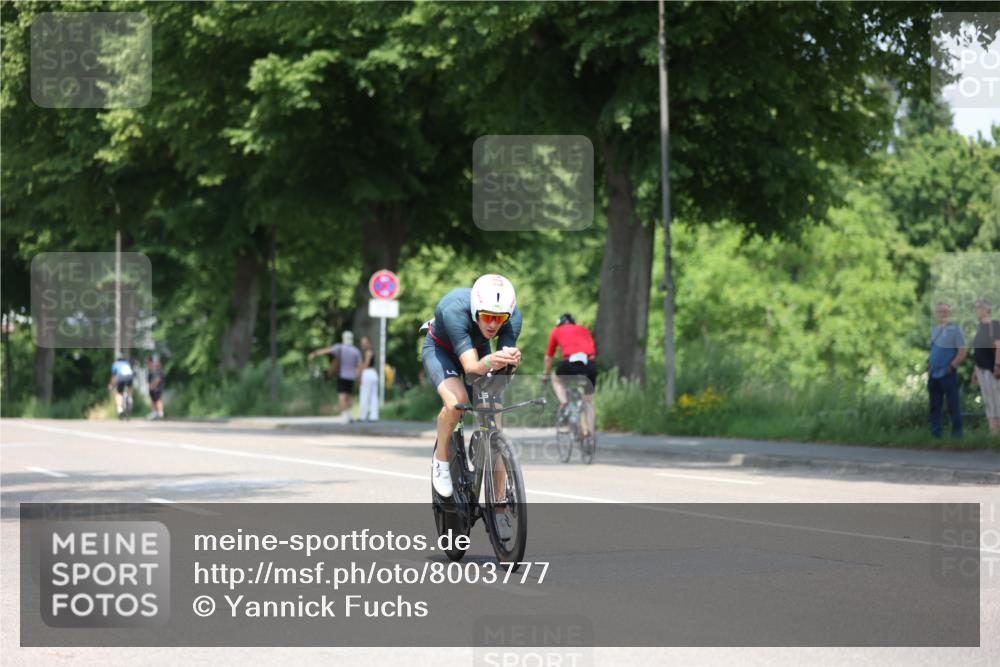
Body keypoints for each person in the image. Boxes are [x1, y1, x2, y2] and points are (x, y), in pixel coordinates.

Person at [421, 274, 522, 497]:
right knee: (456, 401)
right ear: (476, 310)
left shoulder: (513, 317)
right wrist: (490, 361)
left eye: (500, 318)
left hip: (478, 349)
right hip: (442, 350)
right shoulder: (454, 309)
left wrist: (510, 364)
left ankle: (499, 502)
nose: (494, 324)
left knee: (494, 412)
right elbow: (470, 367)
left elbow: (502, 377)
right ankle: (441, 461)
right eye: (487, 317)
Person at [542, 313, 597, 441]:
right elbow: (592, 352)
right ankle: (590, 434)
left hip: (570, 363)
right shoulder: (584, 330)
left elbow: (548, 357)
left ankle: (565, 403)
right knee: (588, 402)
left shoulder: (556, 331)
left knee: (555, 378)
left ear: (560, 323)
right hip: (589, 365)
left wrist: (546, 374)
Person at [928, 302, 967, 438]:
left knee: (953, 405)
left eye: (945, 311)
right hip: (934, 374)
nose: (943, 313)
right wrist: (929, 364)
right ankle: (935, 435)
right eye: (940, 311)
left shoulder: (955, 330)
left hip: (948, 373)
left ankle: (957, 435)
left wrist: (952, 366)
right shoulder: (934, 330)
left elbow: (962, 351)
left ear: (950, 313)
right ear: (936, 313)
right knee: (934, 406)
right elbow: (933, 350)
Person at [308, 331, 362, 420]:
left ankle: (345, 415)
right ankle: (349, 414)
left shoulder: (339, 347)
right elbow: (359, 366)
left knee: (342, 396)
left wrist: (315, 353)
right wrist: (359, 377)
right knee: (348, 396)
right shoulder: (356, 351)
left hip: (342, 376)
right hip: (351, 376)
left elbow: (327, 351)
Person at [970, 298, 1000, 435]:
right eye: (976, 307)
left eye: (980, 307)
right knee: (988, 401)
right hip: (980, 369)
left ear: (987, 309)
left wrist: (997, 365)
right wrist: (974, 371)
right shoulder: (980, 327)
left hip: (991, 368)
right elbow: (978, 350)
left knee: (996, 400)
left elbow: (998, 347)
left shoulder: (994, 325)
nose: (977, 309)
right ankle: (993, 433)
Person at [358, 335, 379, 422]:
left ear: (368, 343)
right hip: (373, 373)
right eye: (362, 343)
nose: (363, 344)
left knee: (364, 395)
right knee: (373, 396)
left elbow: (366, 364)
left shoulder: (368, 352)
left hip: (367, 373)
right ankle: (374, 416)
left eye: (364, 342)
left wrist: (360, 373)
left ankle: (363, 416)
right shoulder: (371, 351)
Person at [145, 355, 165, 420]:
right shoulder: (151, 370)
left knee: (158, 399)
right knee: (153, 400)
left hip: (157, 388)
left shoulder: (158, 370)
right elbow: (149, 379)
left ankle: (160, 413)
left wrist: (152, 386)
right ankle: (155, 413)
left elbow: (158, 380)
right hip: (153, 388)